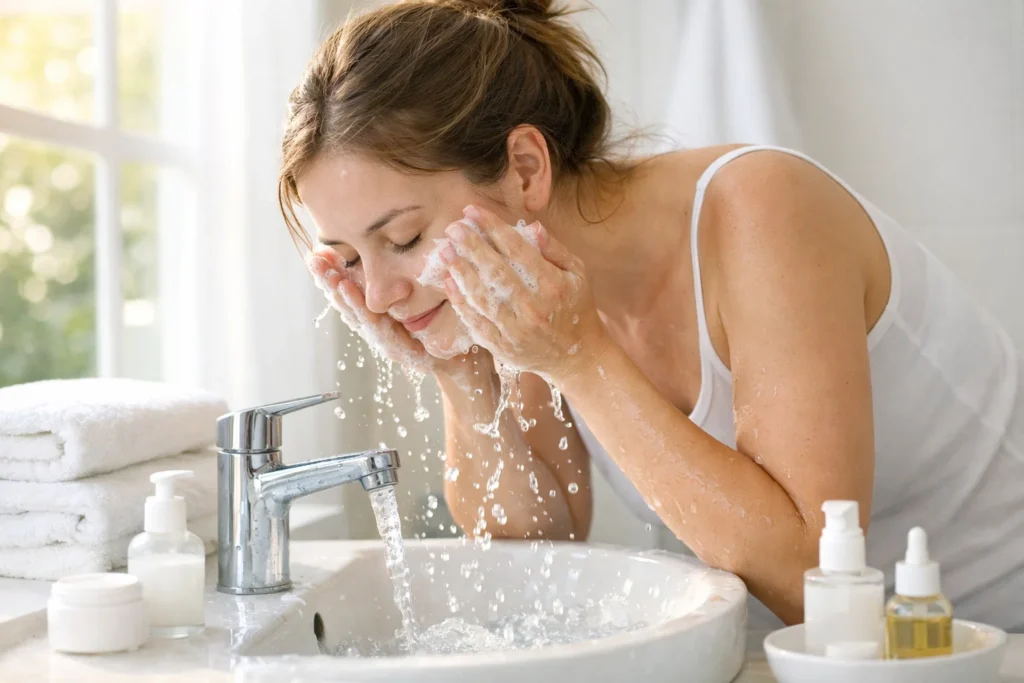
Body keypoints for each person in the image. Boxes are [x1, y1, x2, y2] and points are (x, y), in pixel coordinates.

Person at [278, 0, 1024, 631]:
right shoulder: (519, 287)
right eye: (347, 258)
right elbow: (537, 541)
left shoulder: (764, 210)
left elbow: (813, 579)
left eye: (403, 238)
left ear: (526, 169)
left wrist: (580, 359)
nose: (376, 294)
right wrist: (460, 370)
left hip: (995, 631)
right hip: (822, 656)